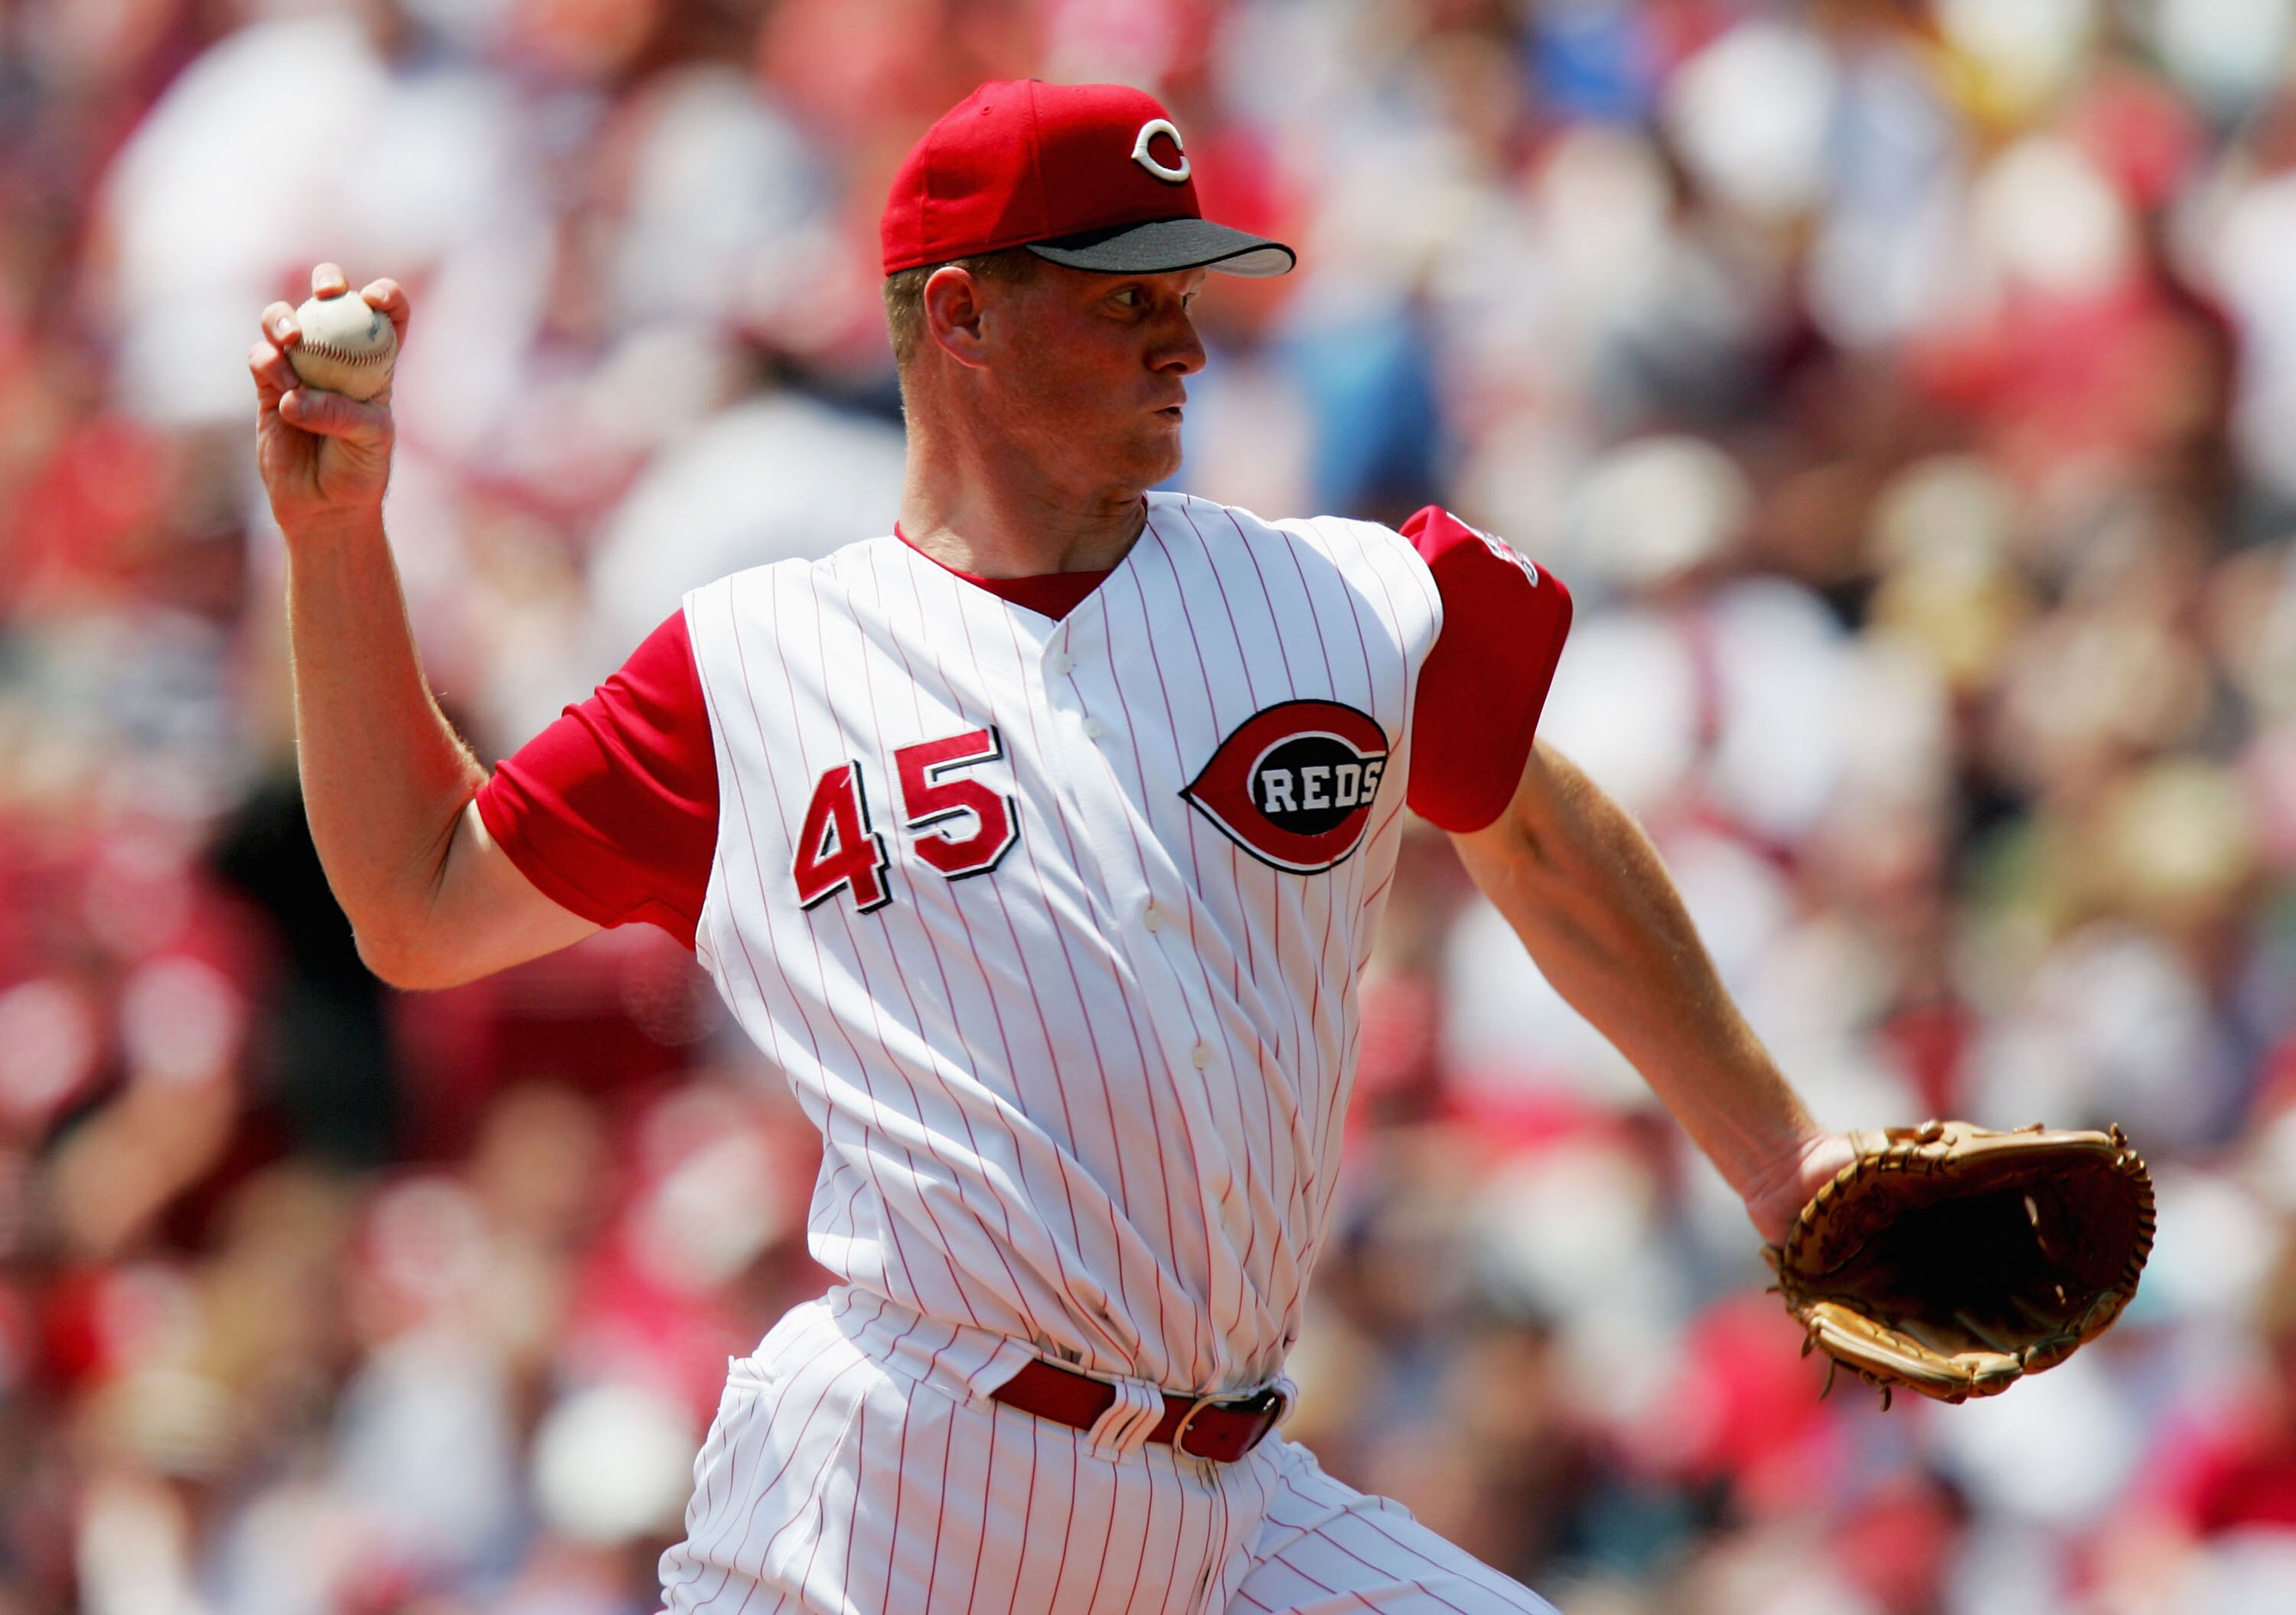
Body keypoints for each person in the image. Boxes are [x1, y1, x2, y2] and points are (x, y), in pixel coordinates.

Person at [250, 77, 1854, 1615]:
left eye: (1187, 291)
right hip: (913, 1490)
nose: (1186, 339)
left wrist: (1788, 1162)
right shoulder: (753, 669)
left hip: (1240, 1502)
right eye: (1124, 297)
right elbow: (423, 898)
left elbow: (1538, 830)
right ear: (959, 318)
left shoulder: (1342, 601)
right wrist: (337, 545)